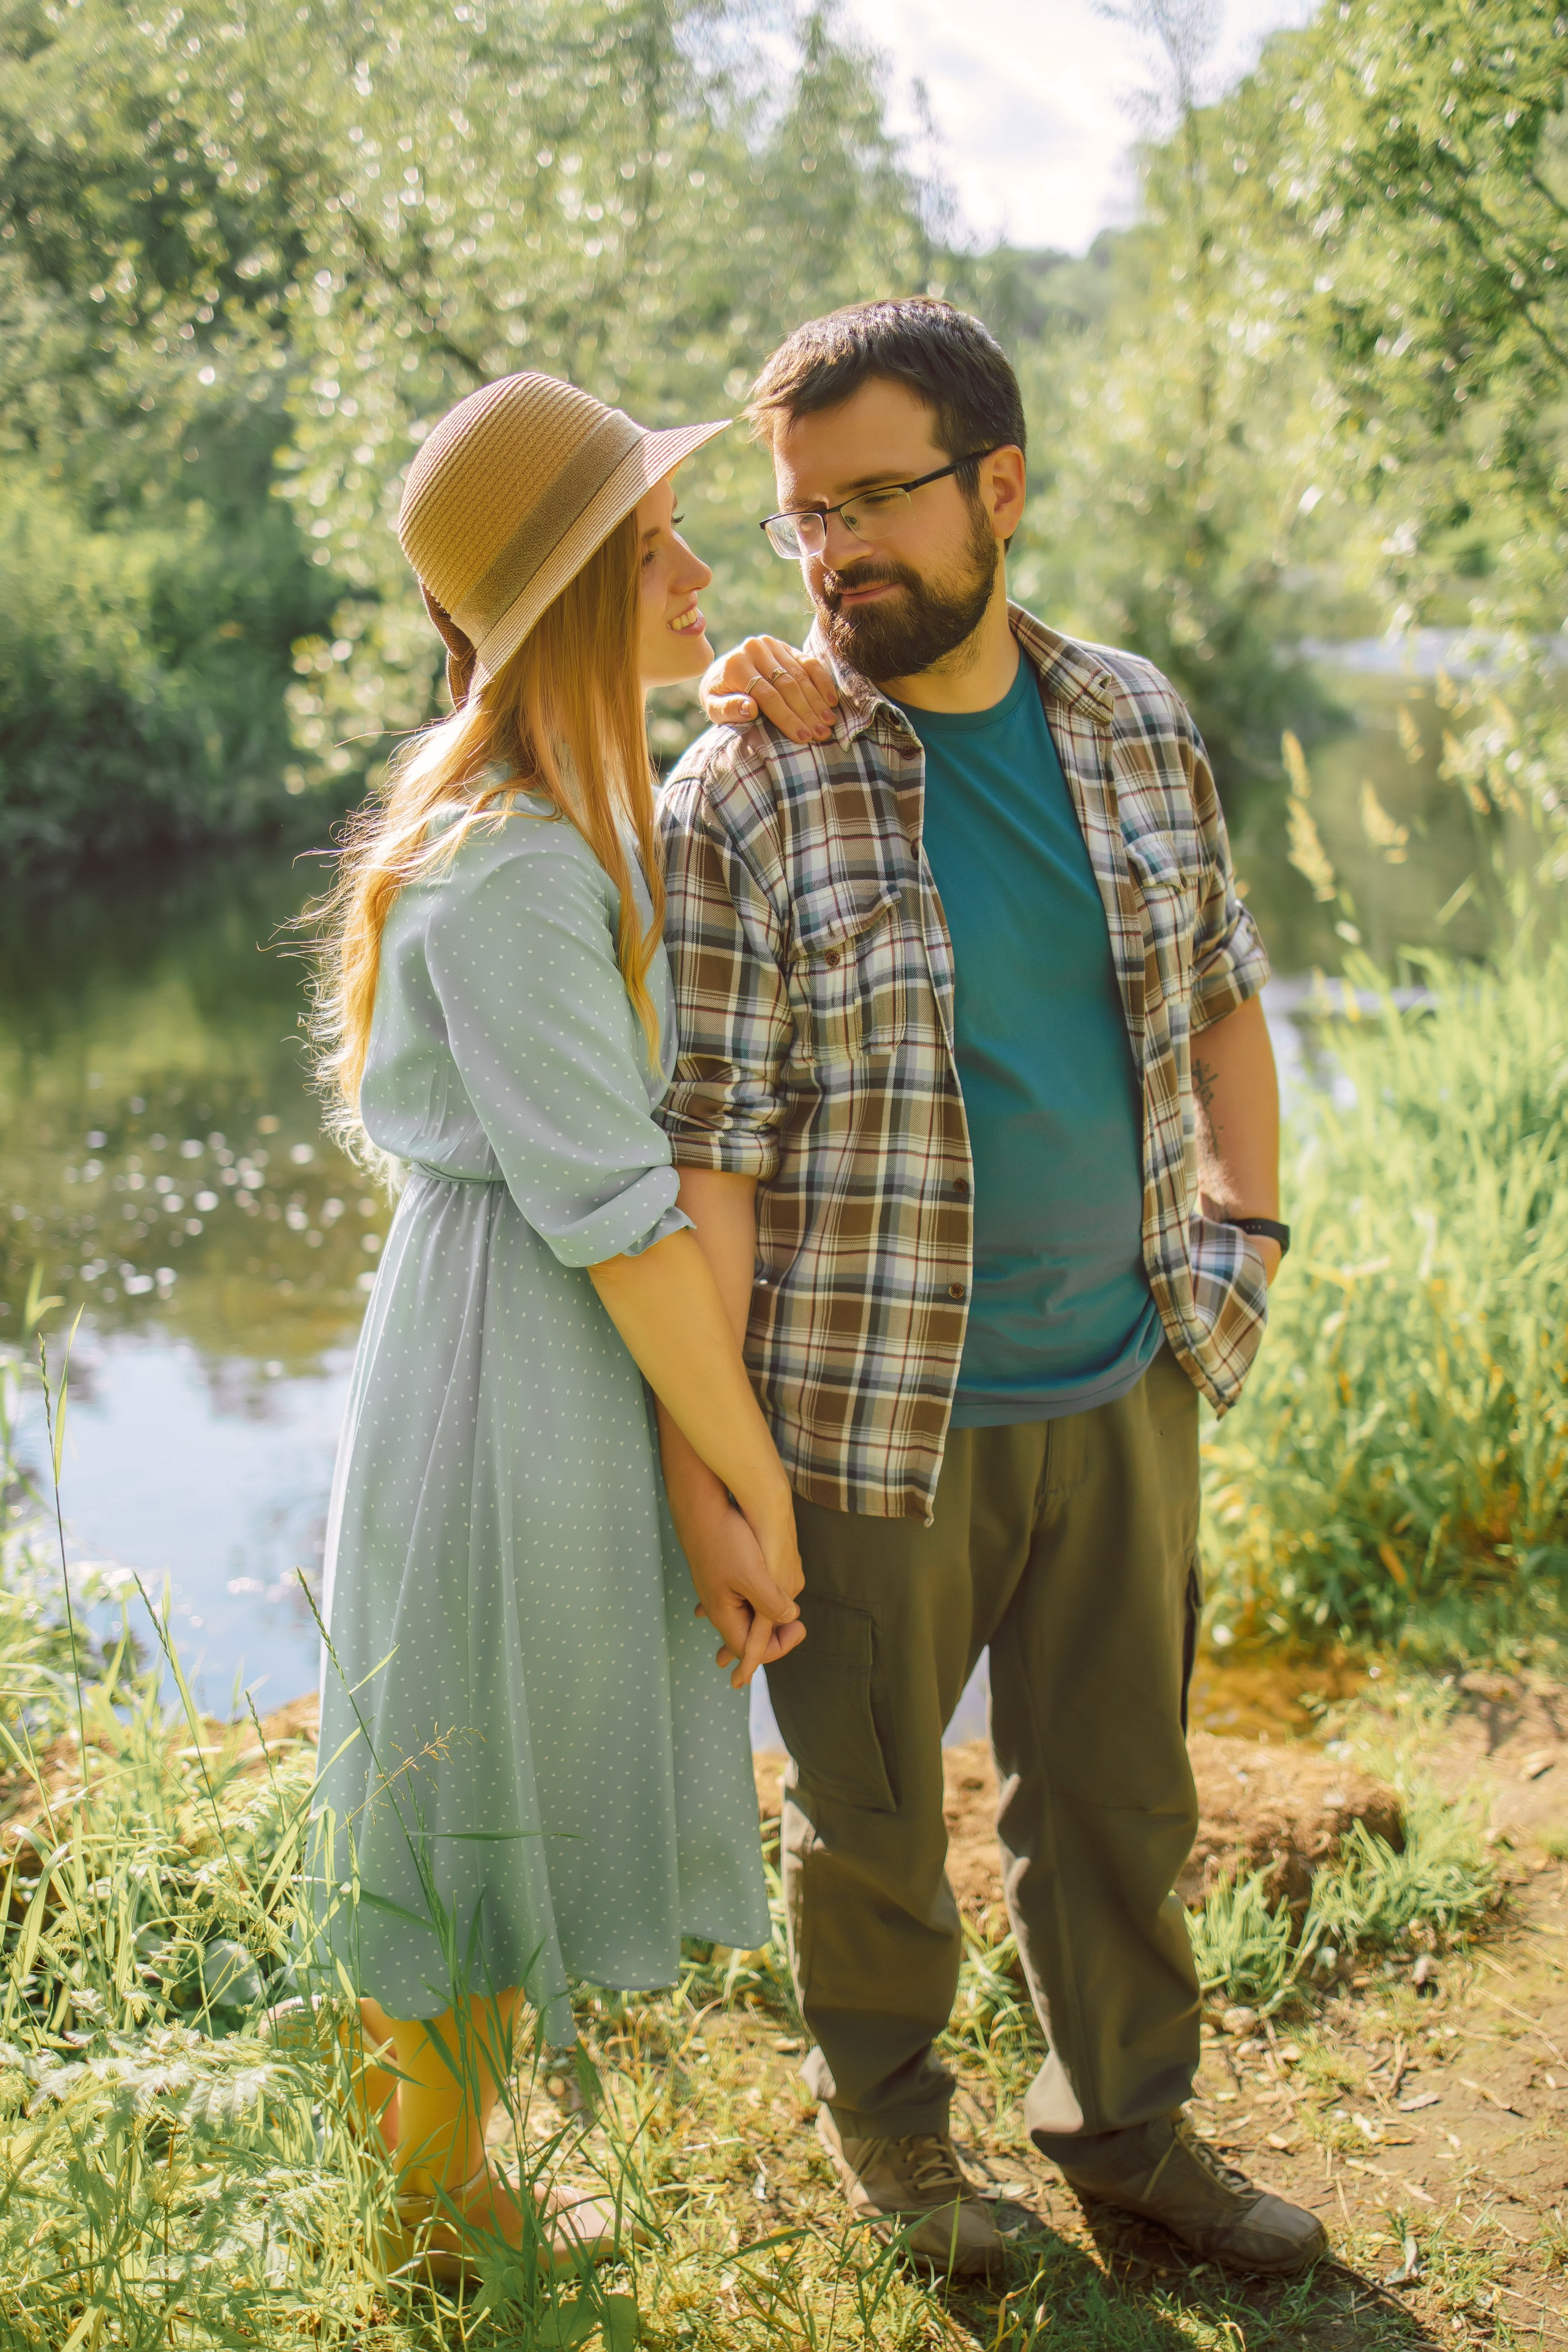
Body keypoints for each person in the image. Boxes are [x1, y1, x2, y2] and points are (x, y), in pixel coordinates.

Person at [655, 298, 1325, 2281]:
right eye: (802, 517)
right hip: (868, 1414)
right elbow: (715, 1159)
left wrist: (1246, 1245)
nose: (836, 548)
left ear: (999, 489)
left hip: (1126, 1373)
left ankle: (1130, 2138)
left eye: (875, 499)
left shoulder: (1131, 716)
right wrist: (719, 1470)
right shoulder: (751, 787)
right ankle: (906, 2162)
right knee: (863, 1820)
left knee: (1117, 1800)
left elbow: (1222, 1001)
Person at [304, 371, 804, 2282]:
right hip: (519, 1356)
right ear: (579, 591)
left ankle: (446, 2178)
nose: (696, 571)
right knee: (466, 1756)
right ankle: (440, 2222)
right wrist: (751, 1480)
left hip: (532, 1343)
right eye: (658, 544)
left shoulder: (556, 815)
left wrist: (760, 708)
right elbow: (623, 1226)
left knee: (495, 1745)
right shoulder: (515, 864)